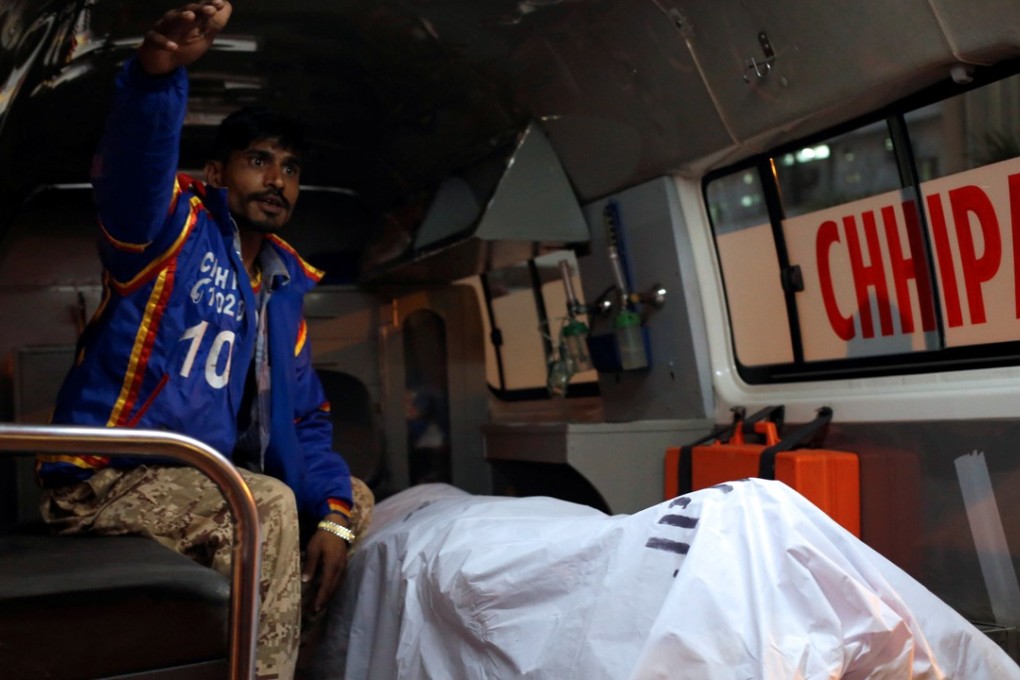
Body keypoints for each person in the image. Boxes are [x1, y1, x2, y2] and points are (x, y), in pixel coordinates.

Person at [34, 2, 373, 678]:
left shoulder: (281, 293)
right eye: (258, 160)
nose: (276, 180)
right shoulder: (169, 234)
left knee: (352, 498)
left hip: (207, 479)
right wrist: (157, 77)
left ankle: (284, 652)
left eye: (290, 168)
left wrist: (335, 520)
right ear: (218, 174)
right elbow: (134, 168)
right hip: (110, 481)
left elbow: (306, 422)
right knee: (268, 503)